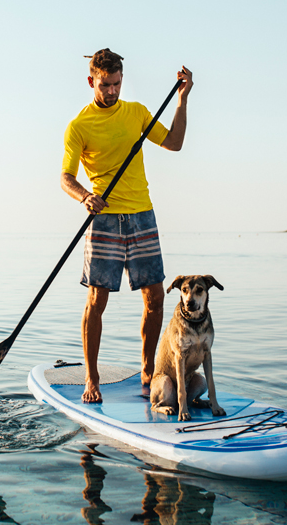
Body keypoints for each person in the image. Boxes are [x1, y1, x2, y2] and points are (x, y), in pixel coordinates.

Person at [60, 48, 193, 403]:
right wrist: (85, 196)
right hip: (103, 219)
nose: (112, 91)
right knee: (96, 300)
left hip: (142, 216)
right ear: (92, 81)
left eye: (117, 84)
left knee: (154, 300)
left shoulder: (136, 113)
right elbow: (66, 178)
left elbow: (175, 143)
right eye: (105, 85)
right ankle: (92, 378)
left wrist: (182, 100)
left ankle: (148, 370)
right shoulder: (79, 126)